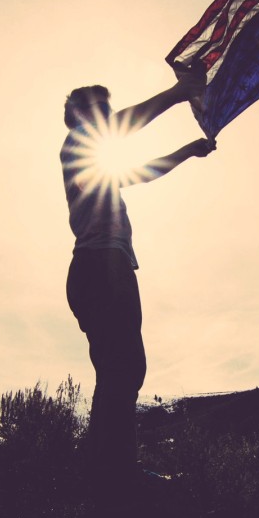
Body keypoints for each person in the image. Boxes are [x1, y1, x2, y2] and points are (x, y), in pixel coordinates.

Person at [61, 78, 214, 492]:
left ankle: (108, 472)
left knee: (119, 372)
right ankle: (116, 477)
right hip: (102, 267)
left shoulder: (96, 170)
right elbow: (130, 123)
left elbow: (143, 172)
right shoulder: (76, 146)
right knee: (123, 371)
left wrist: (187, 151)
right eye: (100, 111)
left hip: (99, 268)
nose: (108, 118)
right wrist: (179, 93)